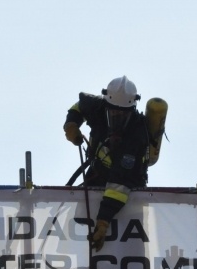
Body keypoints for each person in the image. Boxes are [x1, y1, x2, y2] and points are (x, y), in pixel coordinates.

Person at [63, 76, 151, 251]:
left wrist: (103, 223)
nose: (117, 116)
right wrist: (71, 125)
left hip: (129, 195)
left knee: (130, 254)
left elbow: (119, 185)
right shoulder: (98, 107)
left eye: (123, 114)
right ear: (107, 106)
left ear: (132, 110)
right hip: (97, 177)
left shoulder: (137, 135)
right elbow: (78, 106)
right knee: (81, 245)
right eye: (113, 112)